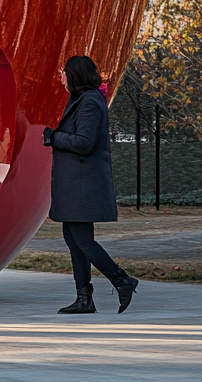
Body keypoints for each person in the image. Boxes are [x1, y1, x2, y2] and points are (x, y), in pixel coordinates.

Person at [43, 55, 138, 314]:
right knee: (74, 240)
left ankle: (122, 280)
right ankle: (84, 298)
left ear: (75, 75)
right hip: (74, 184)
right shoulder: (81, 100)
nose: (60, 76)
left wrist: (55, 137)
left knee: (83, 241)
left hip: (82, 186)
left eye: (64, 72)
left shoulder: (90, 102)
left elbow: (84, 142)